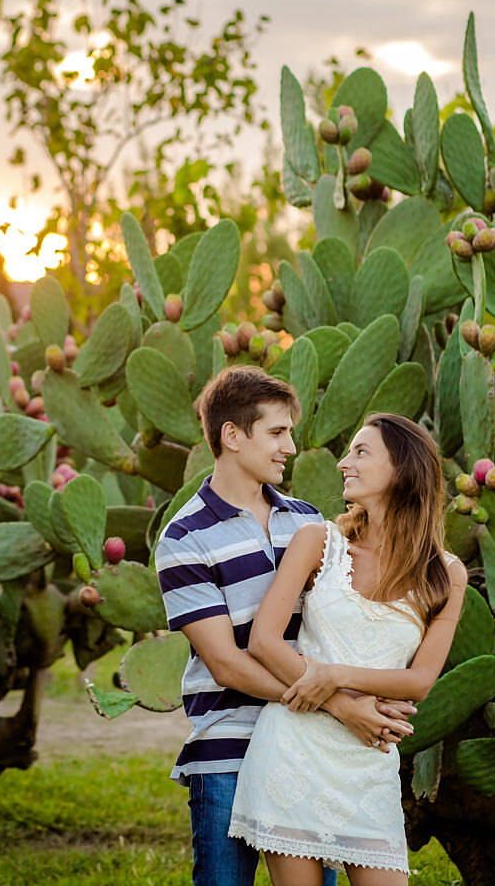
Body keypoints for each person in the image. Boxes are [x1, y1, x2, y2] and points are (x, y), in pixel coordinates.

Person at [154, 366, 420, 886]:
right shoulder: (184, 539)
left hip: (308, 747)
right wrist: (342, 705)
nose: (290, 447)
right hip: (227, 747)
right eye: (277, 432)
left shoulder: (308, 522)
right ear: (232, 436)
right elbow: (228, 664)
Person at [227, 412, 468, 885]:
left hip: (368, 761)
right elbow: (263, 641)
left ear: (402, 470)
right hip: (293, 752)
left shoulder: (446, 574)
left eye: (360, 452)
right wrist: (343, 706)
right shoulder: (318, 542)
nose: (342, 463)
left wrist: (335, 675)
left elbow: (419, 681)